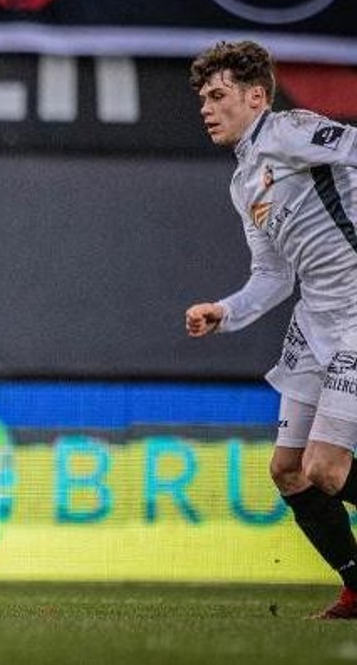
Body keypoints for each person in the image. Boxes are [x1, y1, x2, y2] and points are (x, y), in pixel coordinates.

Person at [184, 40, 357, 620]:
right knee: (286, 470)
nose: (207, 108)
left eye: (218, 95)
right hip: (315, 319)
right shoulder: (243, 184)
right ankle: (356, 587)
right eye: (203, 98)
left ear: (256, 97)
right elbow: (273, 275)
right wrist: (225, 311)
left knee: (324, 469)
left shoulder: (288, 131)